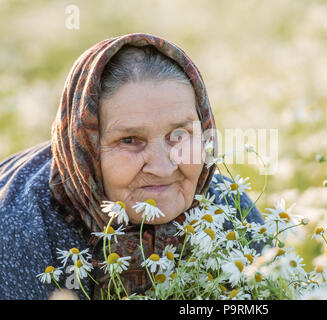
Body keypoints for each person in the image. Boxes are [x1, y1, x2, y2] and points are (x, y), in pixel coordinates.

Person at [0, 33, 263, 300]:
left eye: (181, 135)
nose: (162, 167)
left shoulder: (226, 210)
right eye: (130, 140)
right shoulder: (17, 233)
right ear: (84, 148)